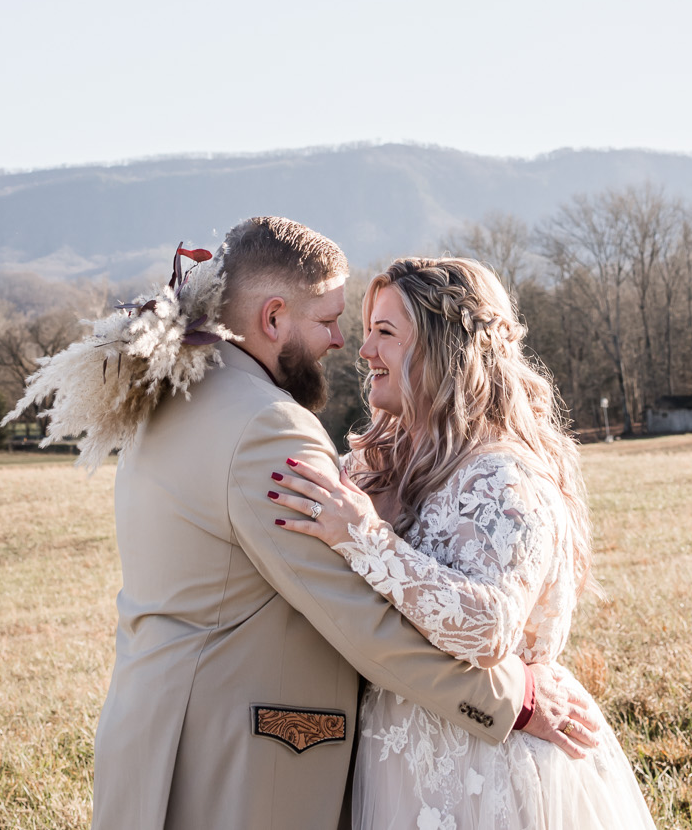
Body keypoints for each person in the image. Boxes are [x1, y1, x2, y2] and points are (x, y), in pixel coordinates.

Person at [76, 216, 601, 830]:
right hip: (232, 755)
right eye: (330, 322)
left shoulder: (172, 396)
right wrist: (511, 701)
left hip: (153, 729)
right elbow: (353, 615)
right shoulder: (266, 428)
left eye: (378, 331)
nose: (342, 344)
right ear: (273, 319)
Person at [271, 253, 655, 830]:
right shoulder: (378, 463)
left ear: (444, 350)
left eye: (386, 334)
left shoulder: (503, 477)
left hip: (488, 765)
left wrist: (364, 537)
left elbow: (488, 627)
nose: (365, 350)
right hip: (398, 755)